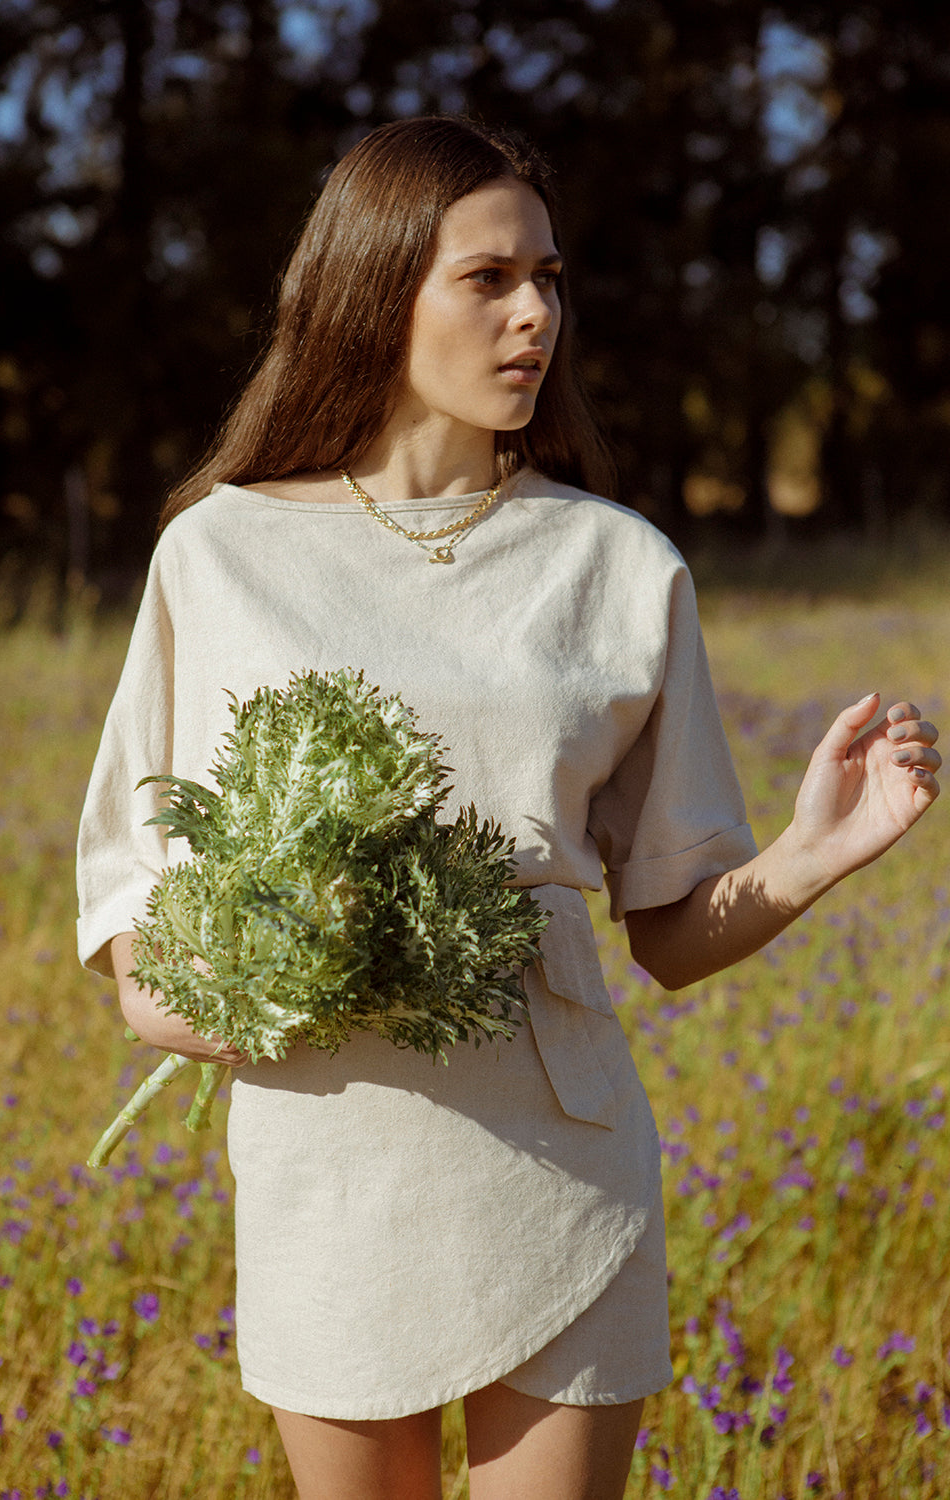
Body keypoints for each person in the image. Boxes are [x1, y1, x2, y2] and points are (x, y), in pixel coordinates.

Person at [76, 117, 941, 1500]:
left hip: (565, 1154)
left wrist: (810, 853)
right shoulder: (220, 553)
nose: (536, 311)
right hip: (332, 1149)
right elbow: (134, 901)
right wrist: (222, 990)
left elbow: (667, 931)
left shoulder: (618, 564)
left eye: (550, 275)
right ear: (373, 291)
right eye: (489, 278)